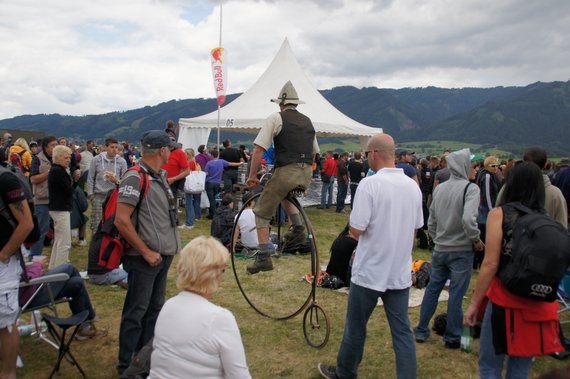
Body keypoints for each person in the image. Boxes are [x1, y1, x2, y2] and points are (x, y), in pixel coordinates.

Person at [317, 133, 423, 379]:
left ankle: (345, 372)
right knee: (402, 332)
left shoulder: (370, 184)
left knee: (356, 327)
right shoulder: (412, 187)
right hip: (398, 270)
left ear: (374, 153)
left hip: (369, 271)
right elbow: (416, 228)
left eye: (367, 154)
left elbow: (355, 229)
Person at [464, 161, 564, 378]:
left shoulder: (500, 214)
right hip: (538, 303)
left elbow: (490, 264)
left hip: (505, 300)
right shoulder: (546, 219)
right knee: (520, 367)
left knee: (490, 365)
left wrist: (474, 304)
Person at [114, 130, 181, 375]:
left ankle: (145, 361)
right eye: (170, 148)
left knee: (154, 310)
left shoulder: (159, 176)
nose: (172, 152)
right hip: (144, 258)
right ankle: (126, 366)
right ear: (162, 151)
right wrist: (144, 251)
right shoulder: (135, 177)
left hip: (161, 255)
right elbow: (122, 220)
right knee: (136, 313)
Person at [149, 236, 251, 378]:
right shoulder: (219, 318)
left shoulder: (168, 306)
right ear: (214, 274)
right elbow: (239, 375)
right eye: (222, 270)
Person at [246, 80, 319, 274]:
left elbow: (258, 149)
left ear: (281, 103)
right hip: (306, 173)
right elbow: (315, 153)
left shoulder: (276, 118)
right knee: (285, 194)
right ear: (296, 104)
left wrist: (252, 175)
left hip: (287, 171)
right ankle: (297, 227)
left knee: (261, 211)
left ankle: (263, 257)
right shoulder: (307, 121)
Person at [413, 148, 484, 349]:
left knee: (433, 289)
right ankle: (452, 336)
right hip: (461, 249)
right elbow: (469, 220)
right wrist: (476, 239)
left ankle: (421, 329)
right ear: (463, 166)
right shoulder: (471, 189)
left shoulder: (440, 188)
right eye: (471, 164)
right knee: (456, 294)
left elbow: (432, 221)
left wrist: (438, 239)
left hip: (441, 248)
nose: (474, 168)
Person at [0, 164, 34, 379]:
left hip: (4, 265)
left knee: (5, 321)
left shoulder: (5, 180)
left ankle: (8, 373)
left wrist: (4, 254)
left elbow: (26, 223)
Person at [20, 259, 101, 339]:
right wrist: (38, 265)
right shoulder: (8, 256)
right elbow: (27, 278)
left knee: (77, 283)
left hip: (27, 290)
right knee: (69, 268)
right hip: (29, 295)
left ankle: (86, 325)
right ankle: (89, 319)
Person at [87, 137, 128, 235]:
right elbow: (90, 177)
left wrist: (116, 181)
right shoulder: (96, 160)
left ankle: (110, 240)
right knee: (97, 220)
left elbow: (125, 180)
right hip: (99, 194)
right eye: (112, 147)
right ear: (106, 147)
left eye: (116, 147)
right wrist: (91, 194)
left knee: (112, 219)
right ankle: (96, 241)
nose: (114, 150)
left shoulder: (121, 161)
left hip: (113, 195)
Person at [28, 135, 58, 259]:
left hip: (57, 199)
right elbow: (33, 179)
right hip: (42, 199)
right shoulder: (37, 159)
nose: (55, 147)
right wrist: (49, 173)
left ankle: (57, 257)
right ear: (45, 147)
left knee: (59, 230)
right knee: (41, 230)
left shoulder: (58, 158)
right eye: (53, 145)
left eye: (57, 145)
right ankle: (34, 257)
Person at [47, 145, 74, 269]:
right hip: (61, 208)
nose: (68, 160)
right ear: (57, 158)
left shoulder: (55, 170)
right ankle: (60, 269)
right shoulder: (58, 171)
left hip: (57, 207)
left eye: (69, 157)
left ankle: (53, 267)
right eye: (66, 158)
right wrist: (73, 180)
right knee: (64, 242)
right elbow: (69, 190)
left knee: (58, 240)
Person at [474, 156, 502, 269]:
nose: (496, 168)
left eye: (497, 166)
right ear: (487, 166)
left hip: (486, 210)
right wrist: (492, 211)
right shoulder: (486, 176)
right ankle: (479, 261)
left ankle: (478, 261)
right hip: (485, 211)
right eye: (493, 166)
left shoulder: (490, 175)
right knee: (484, 236)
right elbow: (487, 195)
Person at [204, 149, 242, 219]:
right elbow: (231, 164)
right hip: (217, 183)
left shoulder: (209, 163)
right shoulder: (221, 162)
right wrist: (240, 163)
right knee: (215, 198)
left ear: (212, 155)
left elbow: (206, 173)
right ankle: (215, 212)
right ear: (218, 155)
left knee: (211, 199)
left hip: (209, 182)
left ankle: (212, 214)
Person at [161, 142, 190, 213]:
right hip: (159, 181)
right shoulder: (161, 151)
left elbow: (187, 171)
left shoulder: (179, 153)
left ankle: (173, 219)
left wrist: (174, 178)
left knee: (171, 205)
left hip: (172, 183)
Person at [180, 148, 202, 229]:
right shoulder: (193, 161)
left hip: (189, 185)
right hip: (191, 185)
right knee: (189, 203)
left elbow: (186, 171)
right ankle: (189, 221)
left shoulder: (190, 162)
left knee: (188, 204)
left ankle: (189, 223)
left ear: (188, 154)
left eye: (185, 153)